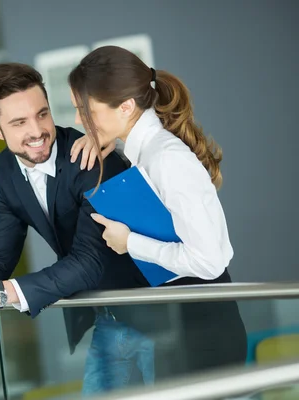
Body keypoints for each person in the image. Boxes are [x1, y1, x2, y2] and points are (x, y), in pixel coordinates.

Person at [0, 62, 154, 394]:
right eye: (19, 122)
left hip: (164, 312)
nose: (38, 130)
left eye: (42, 114)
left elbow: (90, 261)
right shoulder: (4, 170)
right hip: (110, 319)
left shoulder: (91, 158)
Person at [68, 45, 247, 378]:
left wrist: (130, 242)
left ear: (125, 107)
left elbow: (209, 261)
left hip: (205, 330)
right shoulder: (146, 150)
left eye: (85, 110)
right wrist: (109, 139)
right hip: (180, 324)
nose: (78, 120)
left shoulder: (166, 157)